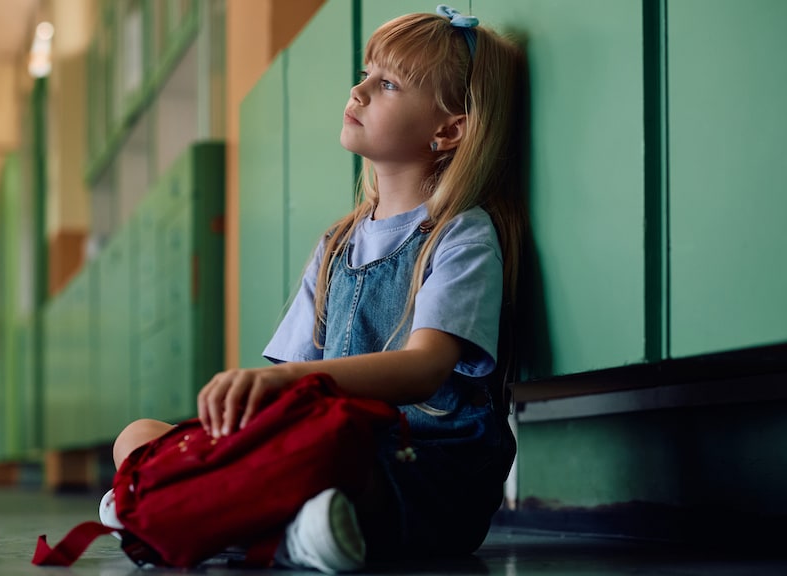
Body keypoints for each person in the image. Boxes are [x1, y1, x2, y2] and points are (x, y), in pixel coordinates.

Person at [101, 4, 525, 572]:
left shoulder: (461, 235)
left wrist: (283, 381)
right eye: (365, 73)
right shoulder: (336, 244)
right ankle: (277, 523)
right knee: (139, 435)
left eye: (388, 83)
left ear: (449, 130)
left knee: (328, 456)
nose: (359, 90)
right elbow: (289, 380)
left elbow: (425, 366)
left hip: (422, 467)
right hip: (327, 445)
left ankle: (194, 509)